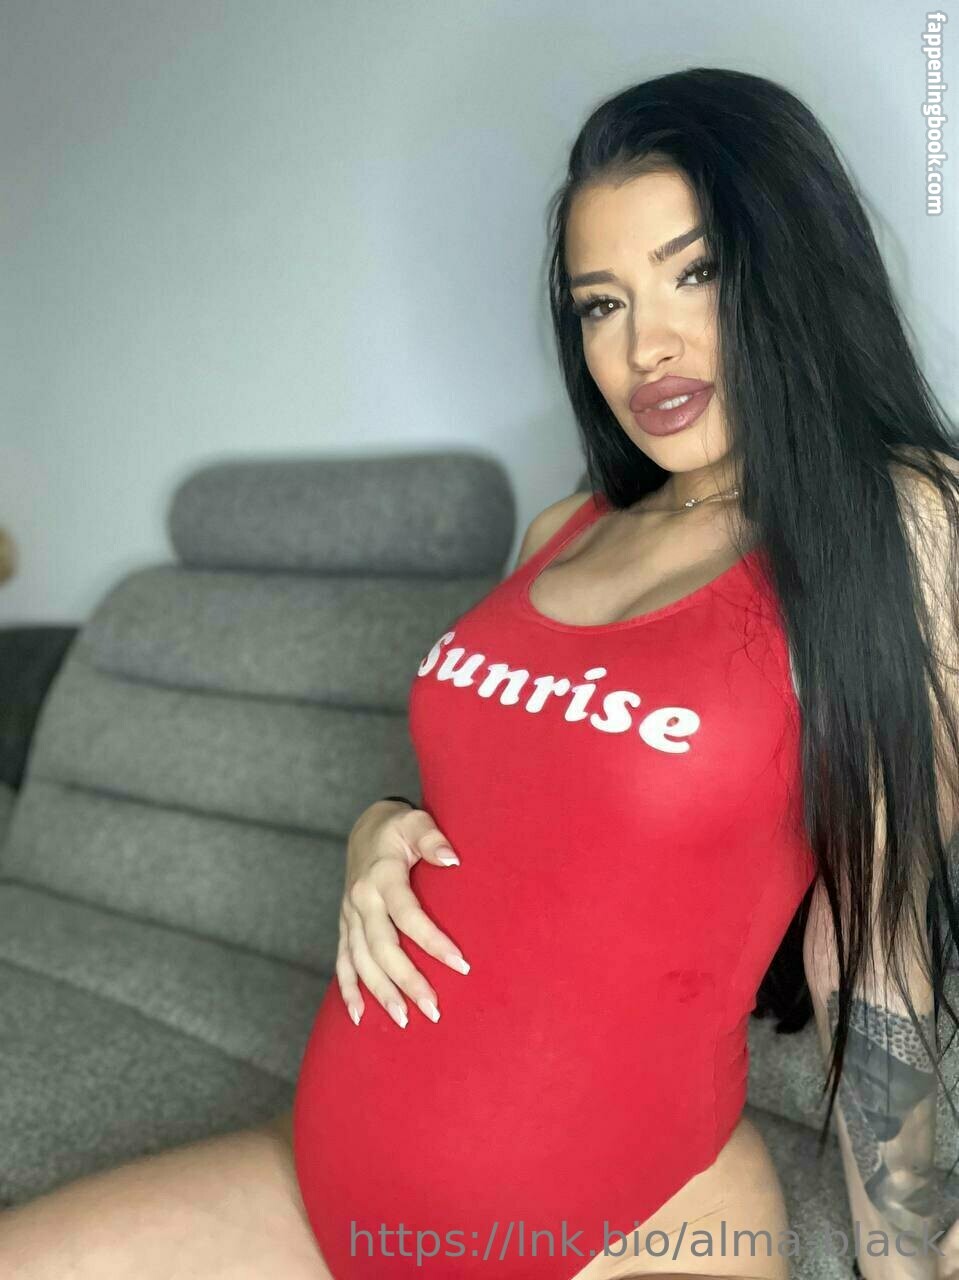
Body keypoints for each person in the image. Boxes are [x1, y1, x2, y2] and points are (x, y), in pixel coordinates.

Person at [3, 63, 959, 1280]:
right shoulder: (561, 530)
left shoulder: (899, 519)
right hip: (324, 1183)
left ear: (794, 266)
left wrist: (907, 1253)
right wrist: (377, 826)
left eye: (696, 272)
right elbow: (512, 819)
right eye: (599, 303)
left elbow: (871, 931)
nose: (644, 344)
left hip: (626, 1226)